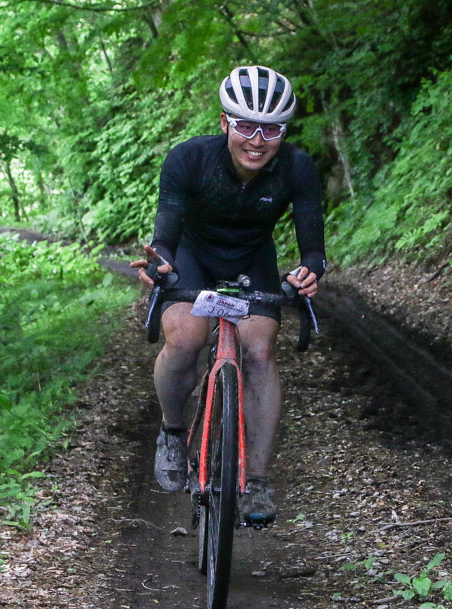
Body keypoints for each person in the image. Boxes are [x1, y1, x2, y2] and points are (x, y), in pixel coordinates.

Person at [132, 65, 325, 526]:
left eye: (272, 129)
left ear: (284, 132)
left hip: (252, 260)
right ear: (224, 123)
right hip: (193, 256)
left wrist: (307, 273)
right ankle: (173, 431)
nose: (257, 140)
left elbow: (313, 249)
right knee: (182, 340)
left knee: (259, 351)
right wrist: (160, 264)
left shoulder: (297, 166)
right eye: (245, 126)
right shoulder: (188, 159)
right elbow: (165, 235)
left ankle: (256, 482)